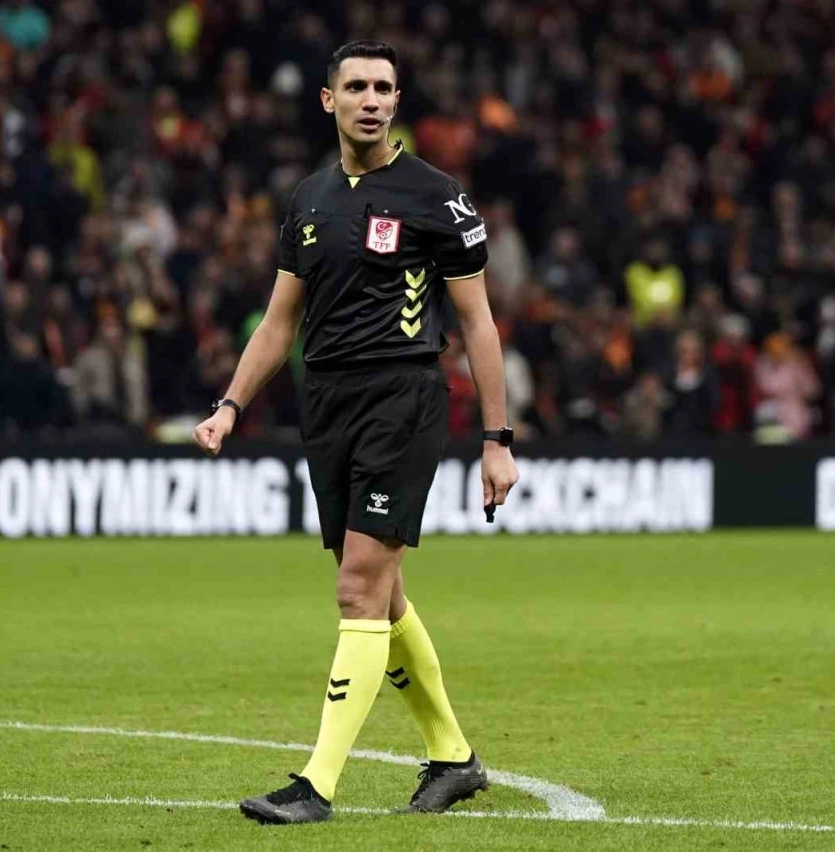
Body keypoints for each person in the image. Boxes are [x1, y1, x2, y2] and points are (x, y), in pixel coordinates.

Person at [191, 40, 519, 825]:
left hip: (402, 399)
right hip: (328, 405)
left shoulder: (436, 197)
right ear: (328, 100)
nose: (371, 100)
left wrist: (496, 438)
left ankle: (316, 785)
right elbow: (280, 323)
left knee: (357, 591)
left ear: (397, 101)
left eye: (384, 88)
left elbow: (478, 323)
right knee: (384, 595)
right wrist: (231, 405)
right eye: (357, 87)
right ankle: (453, 758)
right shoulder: (309, 200)